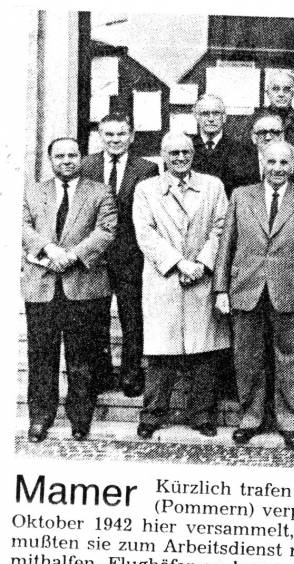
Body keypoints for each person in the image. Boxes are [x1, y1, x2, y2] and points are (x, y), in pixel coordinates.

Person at [214, 140, 294, 450]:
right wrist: (221, 288)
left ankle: (288, 421)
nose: (278, 168)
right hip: (246, 287)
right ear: (262, 163)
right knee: (246, 356)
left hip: (291, 289)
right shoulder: (241, 195)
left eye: (284, 162)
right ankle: (250, 418)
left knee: (289, 357)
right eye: (272, 162)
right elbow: (226, 245)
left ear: (293, 165)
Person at [132, 133, 229, 439]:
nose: (180, 158)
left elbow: (221, 228)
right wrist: (178, 263)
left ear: (193, 155)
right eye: (173, 152)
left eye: (185, 152)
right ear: (162, 155)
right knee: (161, 352)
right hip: (164, 278)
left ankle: (203, 415)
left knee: (204, 352)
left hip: (202, 277)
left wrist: (201, 263)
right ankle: (152, 414)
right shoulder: (146, 189)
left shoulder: (213, 186)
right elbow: (145, 233)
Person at [22, 137, 116, 441]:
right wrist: (49, 249)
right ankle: (40, 417)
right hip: (42, 285)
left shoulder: (100, 191)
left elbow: (106, 230)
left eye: (72, 155)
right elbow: (21, 226)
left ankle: (80, 418)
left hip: (83, 285)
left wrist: (73, 255)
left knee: (82, 357)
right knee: (41, 356)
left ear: (81, 158)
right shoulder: (33, 191)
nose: (66, 161)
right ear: (51, 160)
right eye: (60, 156)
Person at [81, 111, 157, 397]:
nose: (115, 139)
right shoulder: (86, 165)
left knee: (132, 317)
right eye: (109, 134)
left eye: (121, 133)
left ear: (131, 136)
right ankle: (100, 374)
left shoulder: (147, 168)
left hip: (130, 255)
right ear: (100, 136)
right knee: (95, 317)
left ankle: (131, 373)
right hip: (95, 256)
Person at [250, 70, 294, 187]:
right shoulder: (253, 122)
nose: (281, 94)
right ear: (267, 92)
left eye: (286, 90)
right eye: (275, 89)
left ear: (293, 93)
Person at [190, 94, 246, 197]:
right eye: (205, 114)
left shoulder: (241, 149)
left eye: (216, 113)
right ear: (197, 117)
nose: (211, 119)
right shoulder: (187, 148)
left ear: (224, 117)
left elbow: (248, 192)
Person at [228, 111, 286, 190]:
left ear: (282, 137)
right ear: (254, 137)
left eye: (274, 132)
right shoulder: (237, 167)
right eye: (262, 133)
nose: (268, 137)